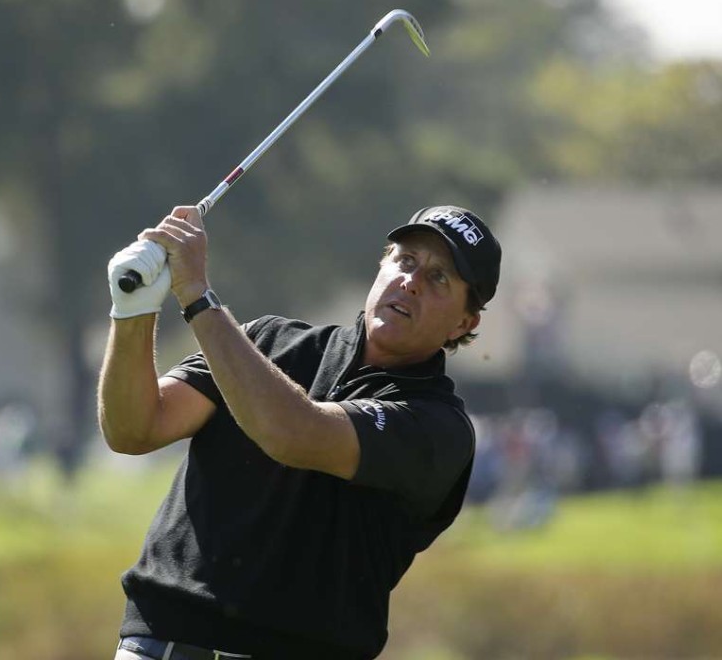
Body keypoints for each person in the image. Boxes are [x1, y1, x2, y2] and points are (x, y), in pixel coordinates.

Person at [99, 205, 502, 659]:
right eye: (405, 260)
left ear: (465, 322)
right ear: (382, 264)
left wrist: (197, 297)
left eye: (439, 277)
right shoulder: (267, 341)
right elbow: (134, 429)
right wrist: (133, 312)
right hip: (159, 642)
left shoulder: (438, 427)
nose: (411, 282)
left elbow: (294, 433)